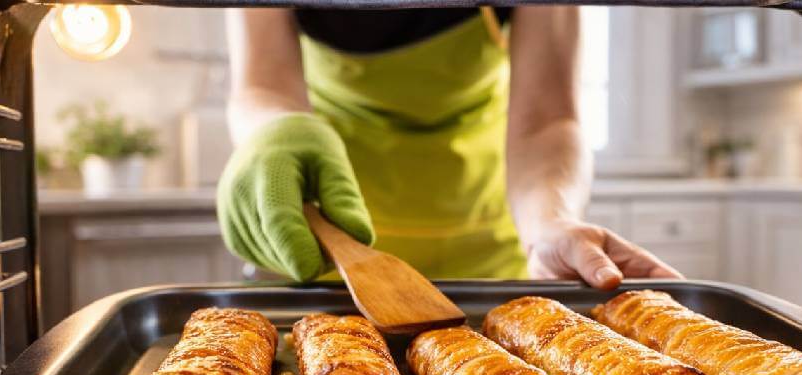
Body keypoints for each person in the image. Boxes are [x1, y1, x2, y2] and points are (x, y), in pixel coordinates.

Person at [218, 6, 680, 288]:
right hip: (330, 243)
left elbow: (548, 118)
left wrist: (551, 223)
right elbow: (263, 83)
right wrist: (274, 132)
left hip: (492, 242)